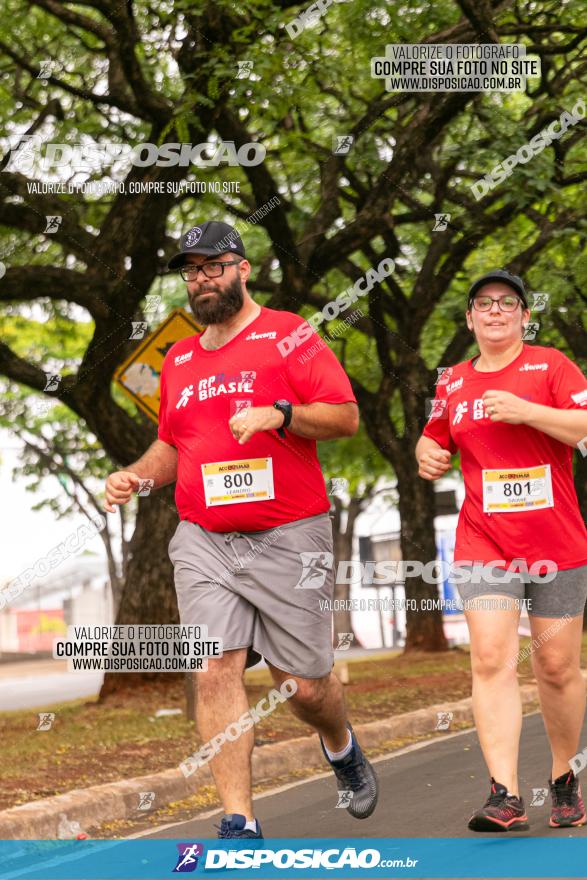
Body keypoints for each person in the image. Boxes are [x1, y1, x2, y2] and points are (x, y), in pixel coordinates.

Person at [104, 220, 378, 838]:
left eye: (214, 266)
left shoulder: (290, 335)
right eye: (192, 270)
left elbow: (344, 418)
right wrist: (135, 477)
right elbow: (175, 446)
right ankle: (239, 820)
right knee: (213, 667)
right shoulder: (177, 358)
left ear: (243, 268)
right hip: (204, 539)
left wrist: (281, 414)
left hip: (289, 532)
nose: (203, 279)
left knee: (305, 689)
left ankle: (340, 743)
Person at [416, 269, 587, 832]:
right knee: (490, 658)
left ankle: (564, 777)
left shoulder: (552, 366)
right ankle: (505, 795)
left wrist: (527, 411)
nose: (495, 311)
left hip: (558, 542)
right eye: (483, 304)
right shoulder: (453, 383)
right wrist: (426, 451)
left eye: (507, 303)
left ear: (522, 315)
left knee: (557, 668)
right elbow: (434, 434)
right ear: (469, 318)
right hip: (483, 541)